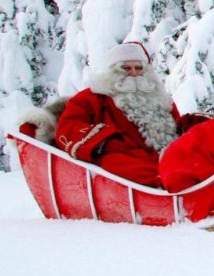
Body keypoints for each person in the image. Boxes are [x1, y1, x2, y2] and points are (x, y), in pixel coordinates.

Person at [55, 41, 200, 187]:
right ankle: (167, 185)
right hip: (128, 158)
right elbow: (68, 127)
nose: (134, 73)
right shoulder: (92, 97)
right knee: (115, 162)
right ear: (111, 72)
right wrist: (108, 142)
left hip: (168, 156)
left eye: (138, 68)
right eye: (126, 68)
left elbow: (176, 128)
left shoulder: (160, 97)